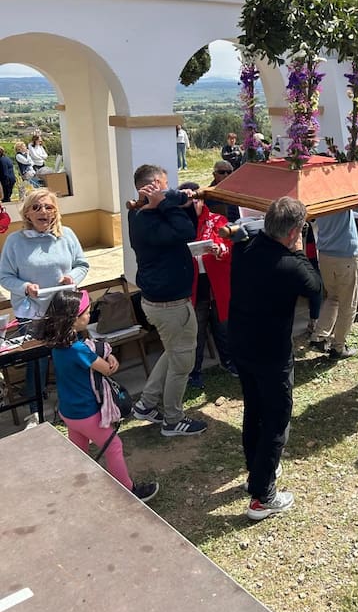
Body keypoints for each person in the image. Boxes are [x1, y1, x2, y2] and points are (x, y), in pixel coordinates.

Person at [228, 197, 321, 520]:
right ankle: (262, 496)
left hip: (241, 343)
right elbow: (315, 286)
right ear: (295, 231)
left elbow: (242, 234)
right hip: (271, 352)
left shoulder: (245, 248)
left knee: (253, 410)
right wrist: (298, 250)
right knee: (276, 419)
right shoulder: (291, 264)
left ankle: (256, 471)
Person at [43, 288, 158, 502]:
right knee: (113, 446)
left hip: (69, 412)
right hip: (87, 413)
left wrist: (107, 356)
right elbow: (107, 369)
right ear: (73, 319)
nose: (89, 315)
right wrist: (111, 359)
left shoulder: (58, 345)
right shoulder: (79, 350)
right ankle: (129, 491)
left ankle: (82, 489)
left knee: (80, 452)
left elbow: (90, 353)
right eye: (86, 312)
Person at [129, 164, 207, 437]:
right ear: (152, 188)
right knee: (182, 362)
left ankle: (146, 405)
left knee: (173, 351)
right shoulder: (144, 219)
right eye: (164, 185)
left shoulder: (143, 212)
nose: (167, 190)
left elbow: (180, 227)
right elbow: (184, 232)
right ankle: (173, 419)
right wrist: (169, 204)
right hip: (170, 305)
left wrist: (176, 202)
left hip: (161, 301)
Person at [0, 188, 89, 425]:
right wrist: (25, 286)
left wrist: (73, 277)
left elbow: (82, 264)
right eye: (37, 207)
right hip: (31, 312)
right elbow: (5, 276)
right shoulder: (15, 241)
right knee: (36, 361)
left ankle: (67, 405)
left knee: (65, 358)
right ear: (27, 213)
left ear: (56, 211)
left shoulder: (66, 235)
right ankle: (34, 411)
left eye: (49, 207)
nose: (43, 212)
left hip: (63, 311)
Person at [178, 181, 235, 387]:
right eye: (188, 201)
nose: (193, 204)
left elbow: (228, 247)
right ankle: (195, 370)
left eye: (196, 199)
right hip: (194, 284)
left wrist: (220, 250)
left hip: (216, 282)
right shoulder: (178, 225)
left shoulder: (216, 220)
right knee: (197, 329)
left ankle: (228, 361)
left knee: (223, 324)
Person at [308, 210, 358, 359]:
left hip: (325, 253)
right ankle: (338, 347)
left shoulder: (321, 194)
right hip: (346, 255)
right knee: (348, 304)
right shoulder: (341, 192)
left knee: (333, 297)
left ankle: (319, 336)